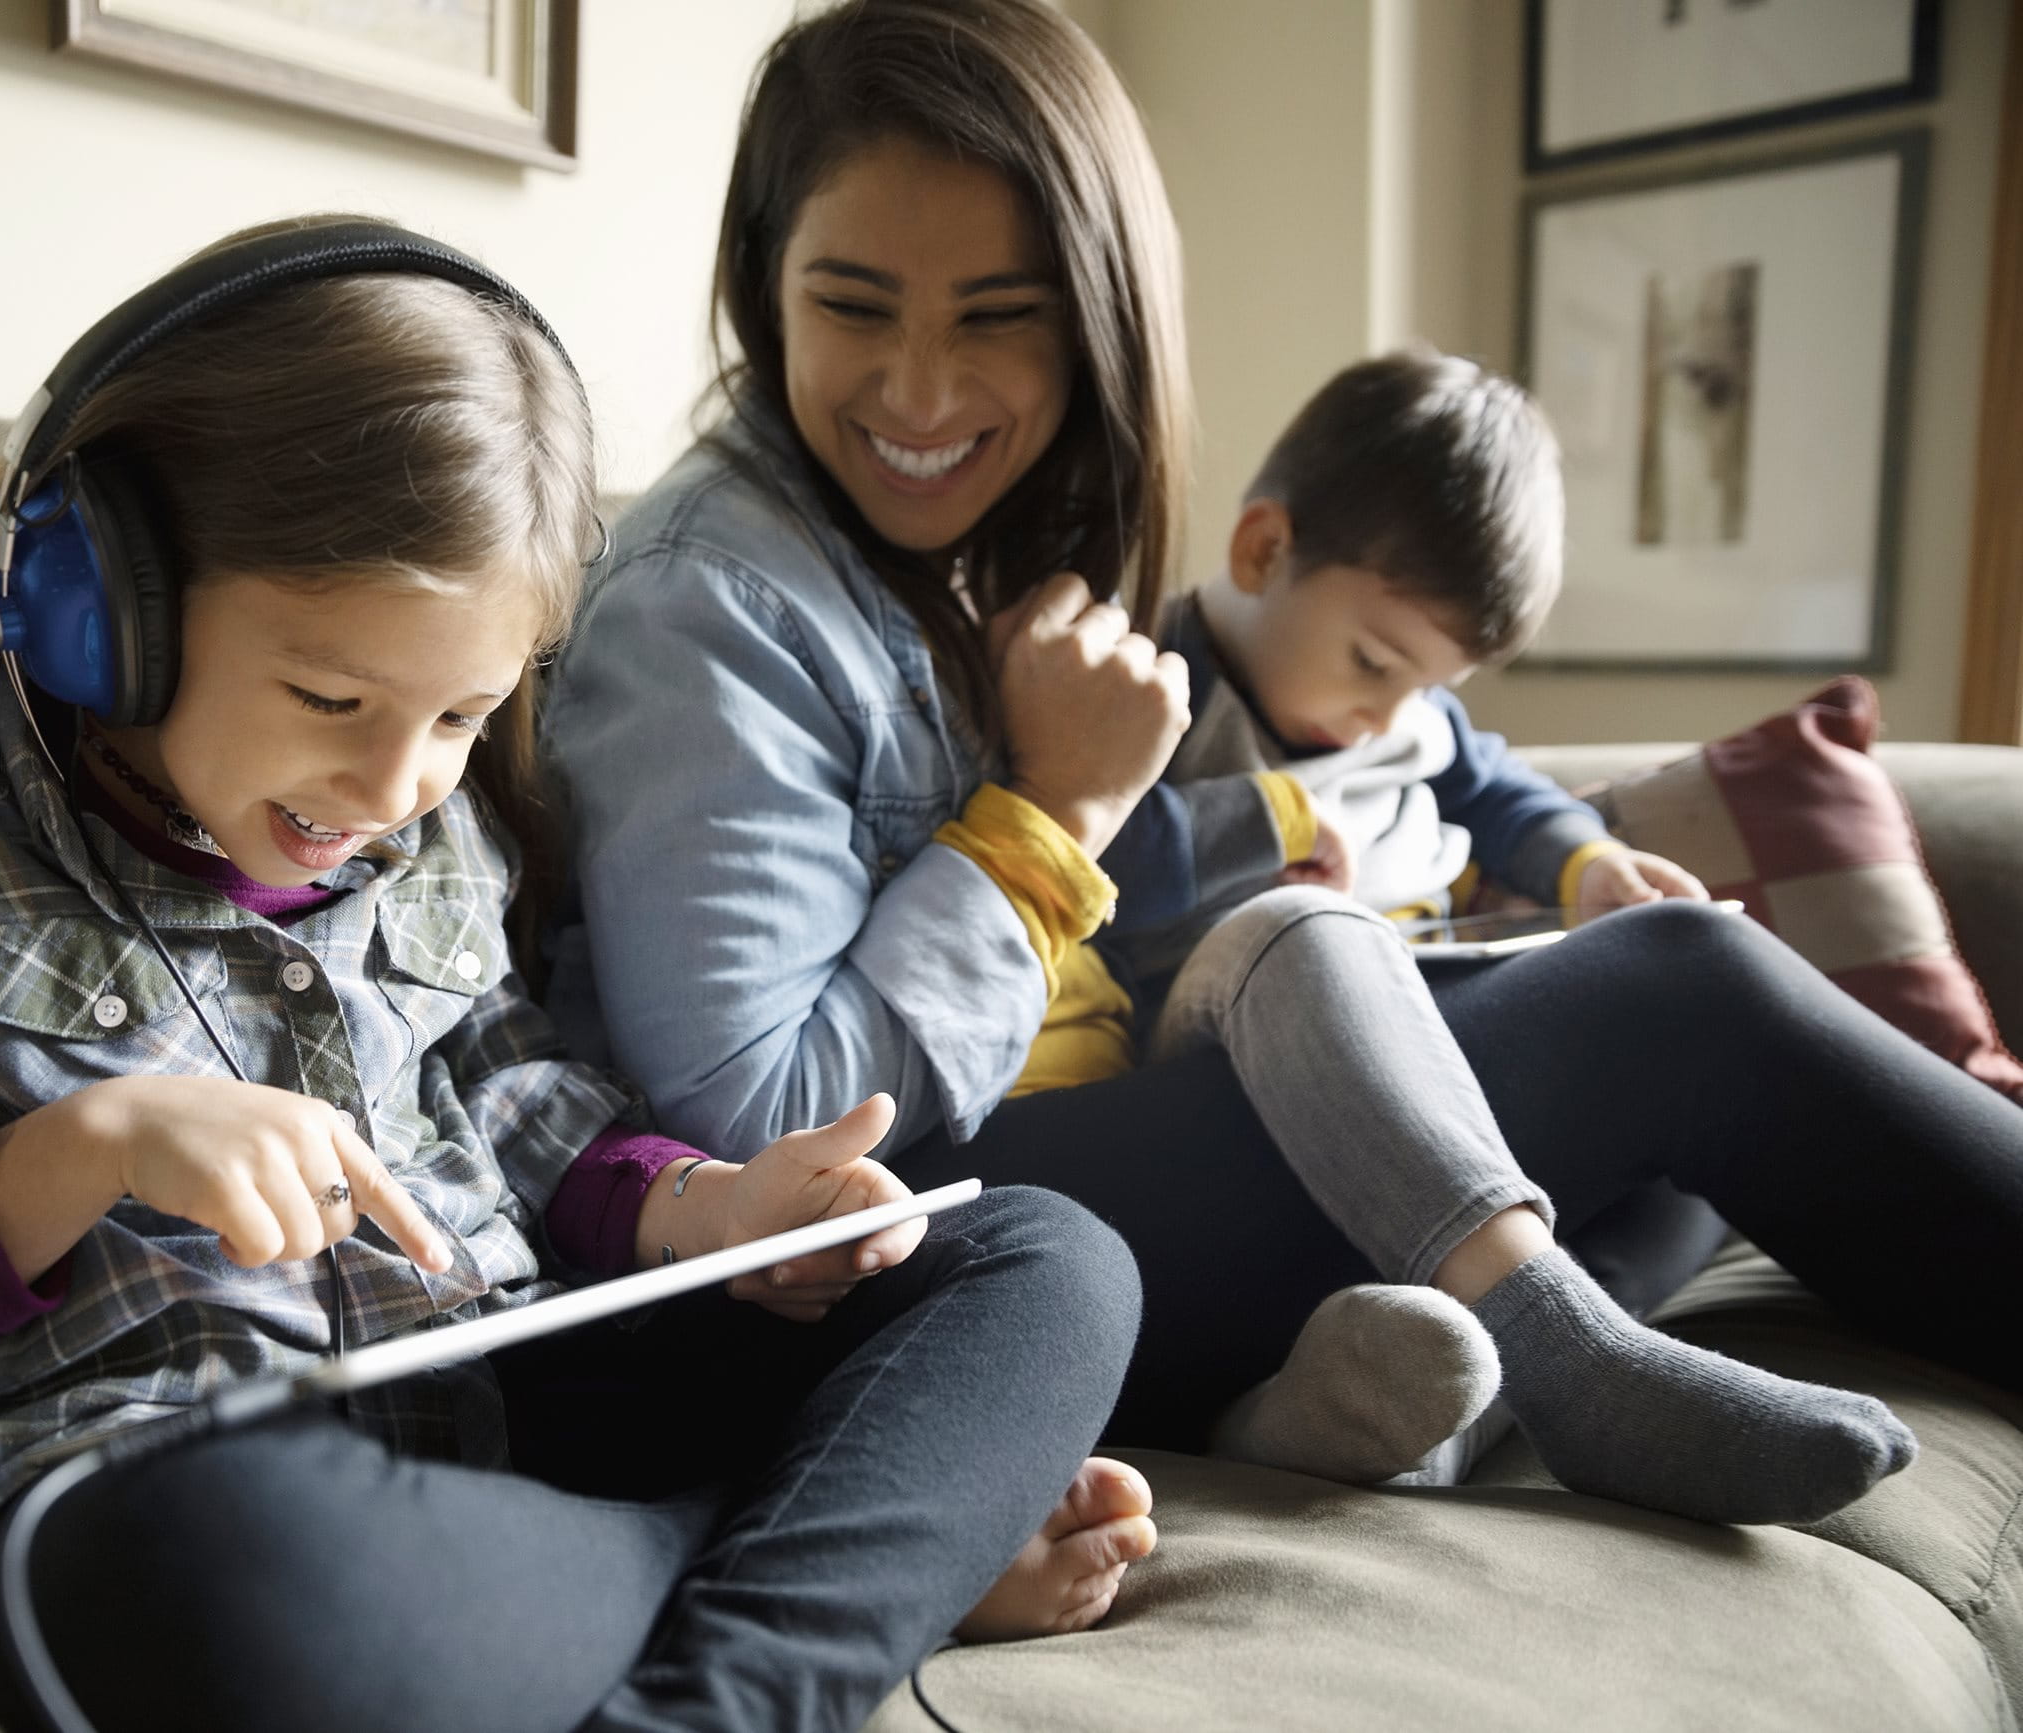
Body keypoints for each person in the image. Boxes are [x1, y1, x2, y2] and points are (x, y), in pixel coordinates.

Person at [0, 216, 1157, 1733]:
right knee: (253, 1571)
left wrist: (716, 1208)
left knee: (1043, 1258)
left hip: (496, 1422)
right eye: (329, 694)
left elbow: (506, 1087)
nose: (391, 783)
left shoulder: (435, 832)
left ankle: (729, 1668)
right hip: (169, 1495)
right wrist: (76, 1154)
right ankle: (838, 1558)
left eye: (459, 718)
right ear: (102, 601)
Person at [544, 0, 2023, 1524]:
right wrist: (1054, 813)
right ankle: (1561, 1352)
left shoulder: (964, 548)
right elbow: (750, 1124)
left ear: (1096, 314)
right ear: (765, 288)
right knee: (1691, 1004)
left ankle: (1507, 1358)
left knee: (1663, 991)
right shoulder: (707, 606)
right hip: (888, 1257)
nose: (922, 393)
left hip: (1069, 1135)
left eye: (997, 315)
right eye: (854, 307)